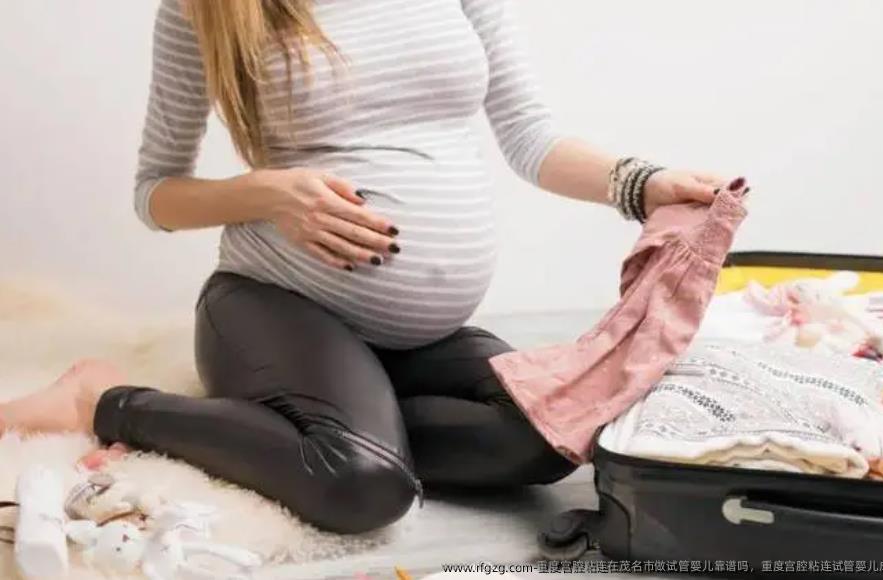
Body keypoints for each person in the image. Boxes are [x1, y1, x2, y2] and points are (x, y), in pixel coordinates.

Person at [0, 0, 733, 534]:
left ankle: (335, 422)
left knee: (548, 437)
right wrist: (266, 192)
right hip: (273, 303)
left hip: (416, 338)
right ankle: (99, 399)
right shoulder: (202, 8)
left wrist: (643, 182)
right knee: (360, 485)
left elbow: (530, 136)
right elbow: (155, 193)